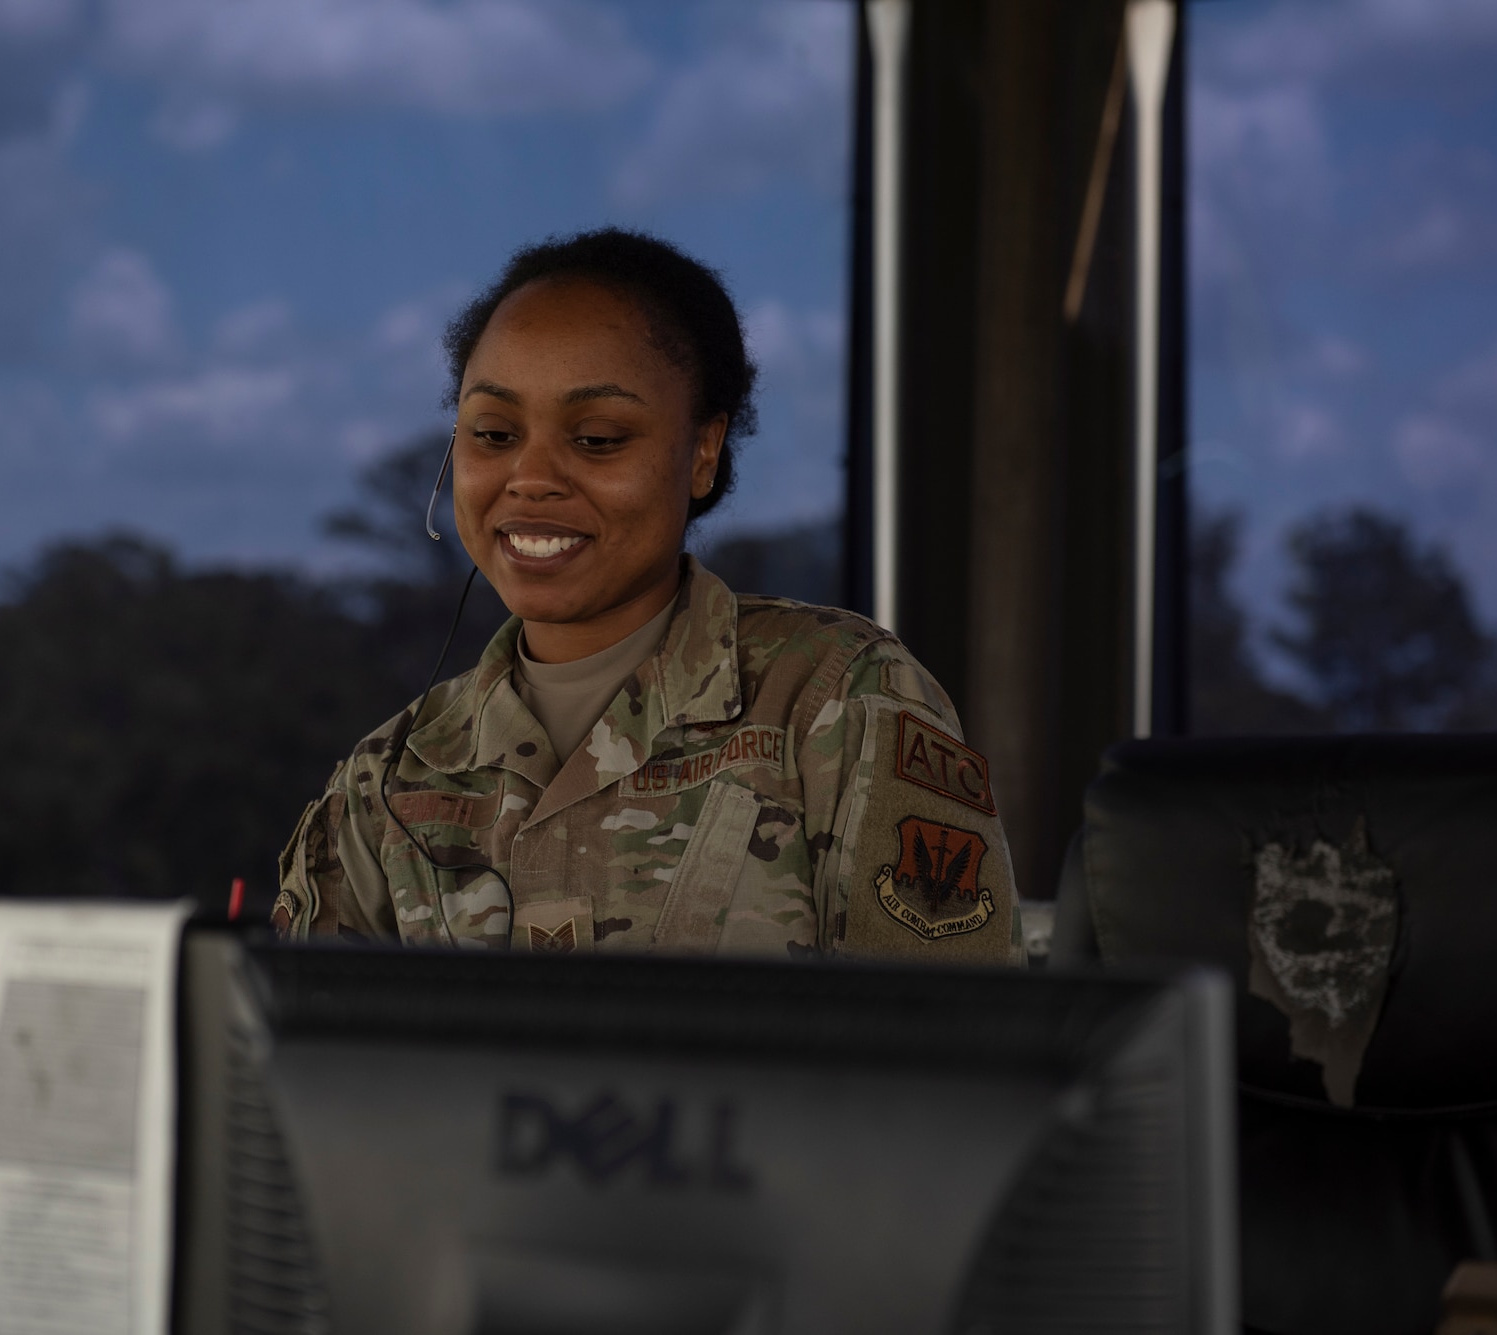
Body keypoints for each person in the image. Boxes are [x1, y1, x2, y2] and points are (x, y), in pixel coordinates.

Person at [275, 228, 1022, 963]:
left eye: (597, 438)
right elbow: (293, 1066)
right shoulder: (390, 779)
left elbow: (950, 1059)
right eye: (494, 432)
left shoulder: (839, 701)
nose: (530, 477)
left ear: (703, 452)